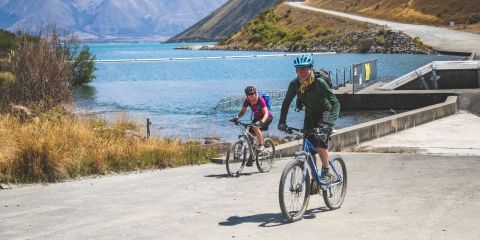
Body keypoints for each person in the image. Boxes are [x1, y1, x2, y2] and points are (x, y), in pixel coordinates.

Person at [278, 54, 340, 188]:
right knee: (309, 149)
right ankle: (314, 179)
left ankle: (326, 171)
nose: (301, 72)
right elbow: (286, 102)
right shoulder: (294, 84)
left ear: (311, 68)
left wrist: (329, 124)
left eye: (304, 69)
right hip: (310, 114)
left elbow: (335, 103)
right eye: (299, 69)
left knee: (320, 141)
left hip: (325, 112)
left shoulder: (319, 82)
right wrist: (282, 121)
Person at [230, 85, 273, 166]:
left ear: (255, 93)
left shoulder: (260, 100)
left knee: (255, 127)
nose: (252, 97)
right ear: (247, 96)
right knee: (250, 138)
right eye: (249, 95)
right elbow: (242, 111)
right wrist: (236, 117)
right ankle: (252, 157)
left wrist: (262, 121)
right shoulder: (247, 101)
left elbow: (266, 113)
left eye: (253, 94)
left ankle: (261, 145)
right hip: (257, 118)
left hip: (267, 117)